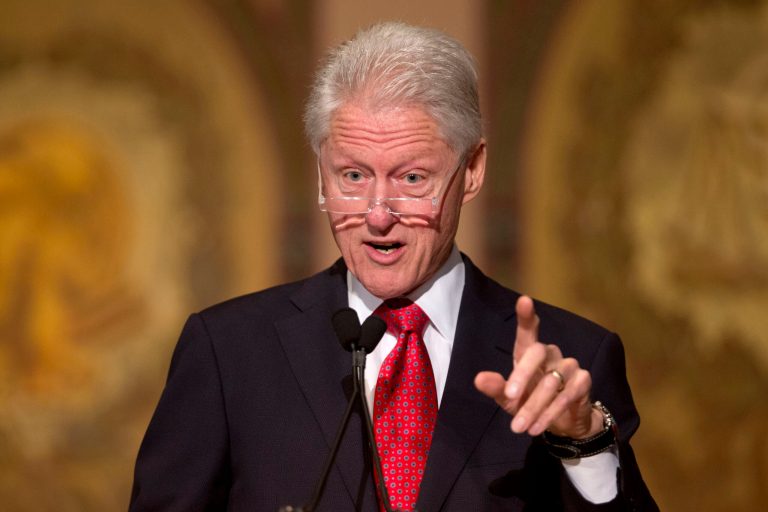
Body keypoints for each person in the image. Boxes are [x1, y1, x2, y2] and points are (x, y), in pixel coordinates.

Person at [129, 22, 657, 511]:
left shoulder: (573, 359)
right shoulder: (229, 353)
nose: (378, 216)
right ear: (321, 173)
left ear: (471, 171)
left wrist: (582, 438)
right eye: (353, 177)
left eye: (411, 179)